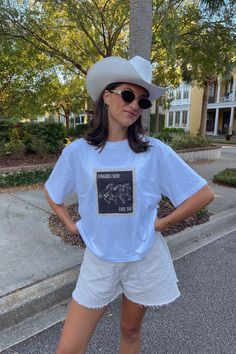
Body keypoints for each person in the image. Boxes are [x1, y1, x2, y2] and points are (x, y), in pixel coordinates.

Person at [44, 56, 214, 354]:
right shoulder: (79, 153)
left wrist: (160, 224)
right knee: (68, 348)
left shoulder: (154, 151)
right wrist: (70, 225)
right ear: (106, 97)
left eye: (143, 101)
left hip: (143, 258)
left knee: (130, 331)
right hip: (99, 260)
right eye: (128, 94)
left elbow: (202, 194)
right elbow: (52, 192)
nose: (135, 104)